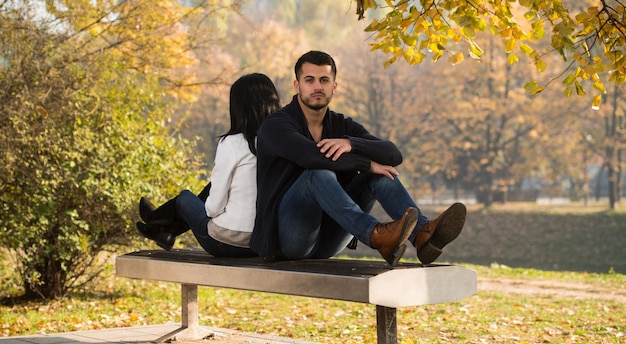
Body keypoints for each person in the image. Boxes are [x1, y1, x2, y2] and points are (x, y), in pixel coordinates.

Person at [250, 51, 466, 266]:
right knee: (317, 175)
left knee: (381, 175)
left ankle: (422, 235)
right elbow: (312, 157)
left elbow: (392, 154)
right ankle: (376, 235)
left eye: (324, 80)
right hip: (287, 240)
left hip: (328, 240)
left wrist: (352, 143)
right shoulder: (276, 125)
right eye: (310, 80)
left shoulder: (341, 125)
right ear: (297, 86)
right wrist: (367, 164)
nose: (318, 87)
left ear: (334, 86)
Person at [136, 73, 281, 257]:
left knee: (185, 199)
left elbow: (213, 209)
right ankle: (163, 229)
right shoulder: (283, 144)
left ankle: (157, 223)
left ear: (238, 107)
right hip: (266, 243)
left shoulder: (232, 143)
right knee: (211, 188)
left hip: (228, 244)